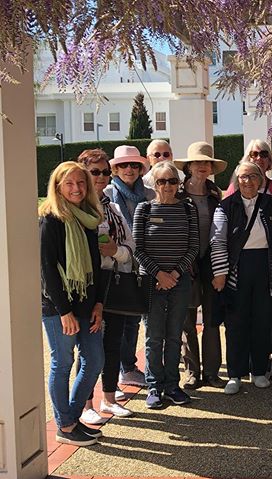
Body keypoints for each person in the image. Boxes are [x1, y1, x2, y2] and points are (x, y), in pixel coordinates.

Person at [40, 161, 105, 446]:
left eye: (81, 183)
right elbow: (47, 270)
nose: (76, 188)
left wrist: (99, 303)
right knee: (63, 362)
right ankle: (66, 427)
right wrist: (64, 311)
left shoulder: (88, 217)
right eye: (69, 183)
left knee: (94, 361)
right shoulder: (50, 220)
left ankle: (70, 420)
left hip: (87, 304)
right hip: (59, 308)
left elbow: (97, 265)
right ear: (58, 187)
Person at [211, 161, 272, 395]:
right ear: (236, 180)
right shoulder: (225, 206)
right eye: (243, 177)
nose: (248, 181)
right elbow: (218, 241)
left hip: (267, 267)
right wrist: (220, 273)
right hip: (237, 269)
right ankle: (235, 373)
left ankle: (259, 370)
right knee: (236, 322)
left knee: (263, 321)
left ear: (261, 179)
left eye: (253, 176)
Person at [133, 162, 199, 409]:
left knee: (174, 336)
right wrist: (159, 275)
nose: (168, 186)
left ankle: (172, 385)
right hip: (151, 282)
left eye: (172, 181)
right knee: (154, 336)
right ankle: (154, 387)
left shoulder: (187, 209)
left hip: (179, 282)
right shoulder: (145, 209)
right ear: (154, 183)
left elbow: (193, 247)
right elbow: (138, 249)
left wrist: (173, 275)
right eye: (162, 181)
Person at [76, 149, 135, 425]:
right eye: (94, 172)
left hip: (114, 280)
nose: (100, 177)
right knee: (90, 347)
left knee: (113, 343)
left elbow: (129, 246)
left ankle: (109, 398)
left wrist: (115, 252)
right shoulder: (76, 209)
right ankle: (85, 403)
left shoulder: (112, 207)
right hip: (88, 284)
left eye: (104, 172)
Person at [174, 141, 227, 390]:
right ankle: (192, 371)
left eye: (206, 163)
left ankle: (212, 372)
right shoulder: (177, 193)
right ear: (189, 166)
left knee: (212, 318)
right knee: (186, 319)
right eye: (197, 162)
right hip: (186, 262)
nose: (202, 167)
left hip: (211, 262)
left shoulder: (216, 194)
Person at [104, 145, 154, 393]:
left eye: (134, 165)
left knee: (134, 318)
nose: (129, 169)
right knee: (118, 320)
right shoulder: (108, 193)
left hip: (143, 264)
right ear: (114, 168)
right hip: (118, 264)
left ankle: (129, 368)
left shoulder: (150, 194)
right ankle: (125, 368)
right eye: (124, 165)